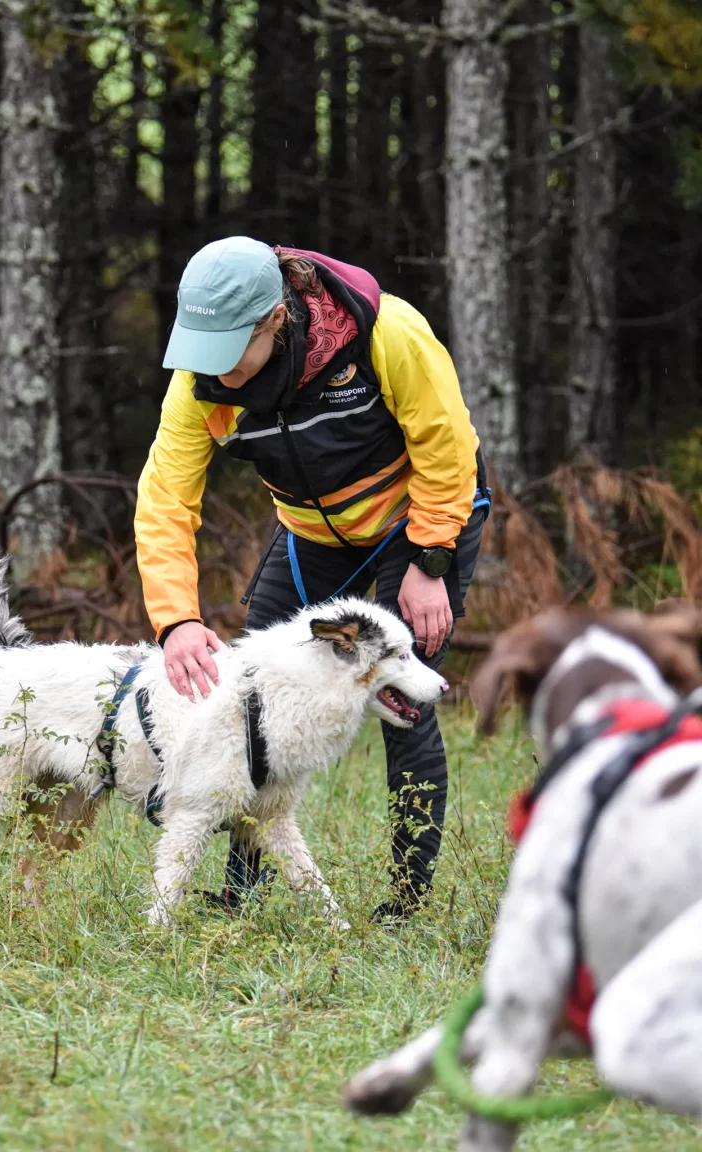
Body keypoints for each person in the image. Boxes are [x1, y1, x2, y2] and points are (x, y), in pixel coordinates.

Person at [135, 236, 488, 922]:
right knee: (252, 705)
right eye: (201, 349)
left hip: (414, 526)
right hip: (311, 538)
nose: (214, 371)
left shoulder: (386, 332)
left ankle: (405, 906)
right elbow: (166, 499)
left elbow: (449, 451)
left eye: (227, 349)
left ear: (275, 319)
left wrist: (430, 561)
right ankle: (245, 891)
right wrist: (176, 620)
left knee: (400, 701)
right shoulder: (199, 382)